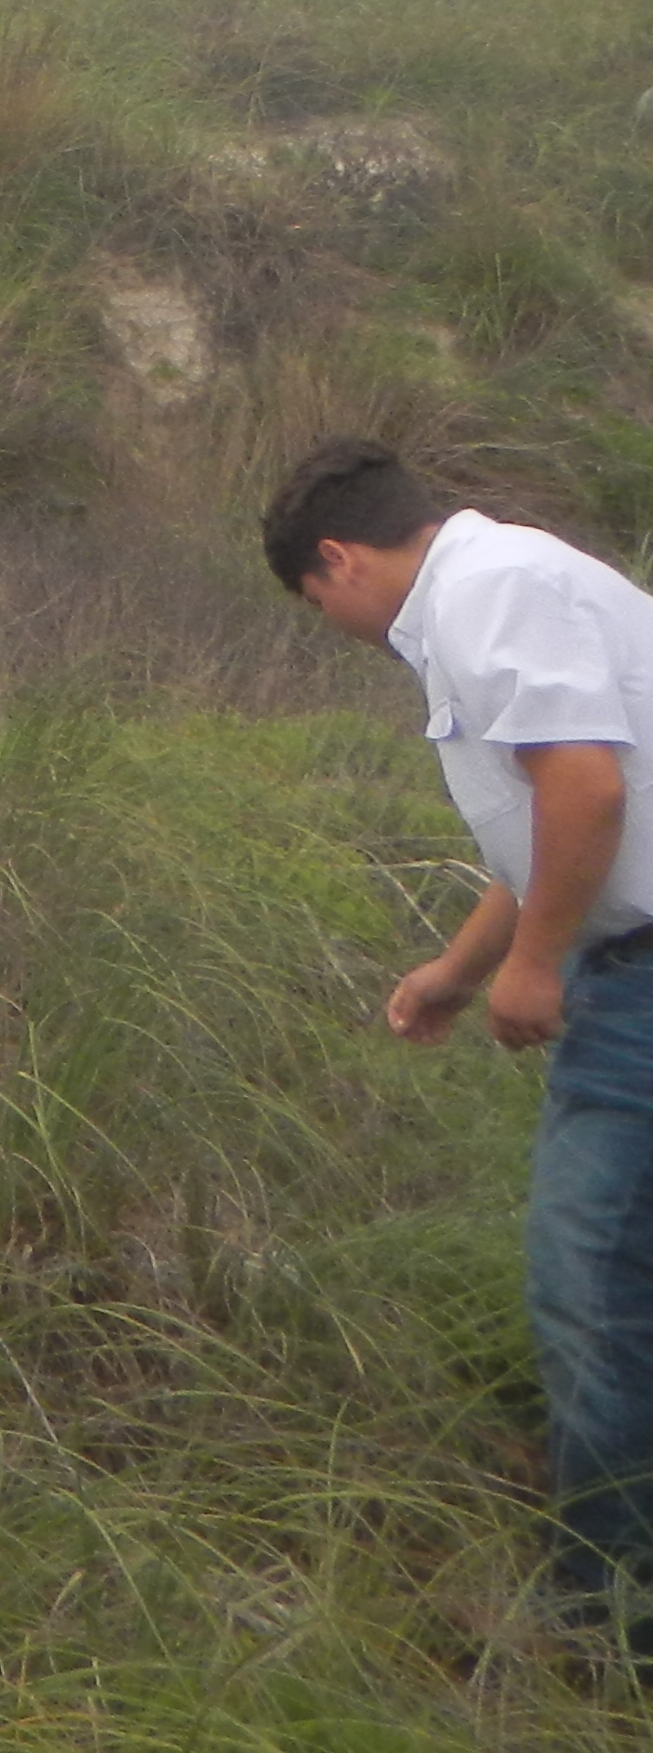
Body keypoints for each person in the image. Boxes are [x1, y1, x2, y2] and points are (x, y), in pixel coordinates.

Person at [268, 435, 653, 1663]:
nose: (331, 626)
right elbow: (552, 818)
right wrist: (461, 967)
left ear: (339, 559)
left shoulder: (486, 593)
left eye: (315, 601)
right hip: (628, 965)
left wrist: (534, 968)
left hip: (638, 987)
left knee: (590, 1285)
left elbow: (587, 791)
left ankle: (599, 1622)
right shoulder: (498, 588)